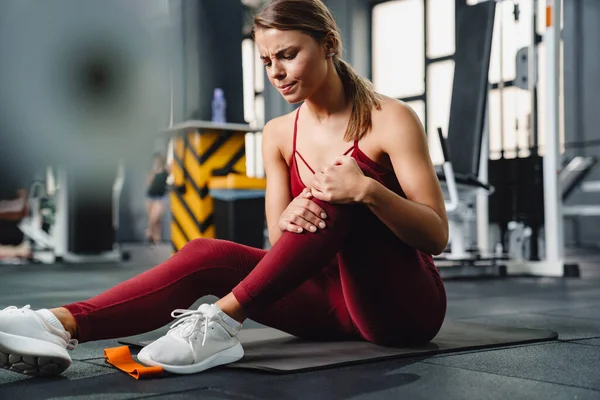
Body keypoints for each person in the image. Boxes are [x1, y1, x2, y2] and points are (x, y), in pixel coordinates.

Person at [0, 0, 448, 377]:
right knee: (206, 254)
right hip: (327, 304)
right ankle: (59, 326)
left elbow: (436, 235)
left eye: (288, 55)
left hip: (400, 309)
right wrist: (294, 212)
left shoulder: (391, 119)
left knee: (336, 191)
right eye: (267, 61)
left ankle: (221, 322)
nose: (276, 71)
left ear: (328, 45)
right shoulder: (277, 133)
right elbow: (280, 242)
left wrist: (368, 190)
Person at [145, 153, 169, 245]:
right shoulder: (152, 171)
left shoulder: (166, 171)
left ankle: (149, 233)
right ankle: (156, 238)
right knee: (154, 219)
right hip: (150, 196)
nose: (157, 162)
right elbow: (149, 183)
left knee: (155, 217)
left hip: (161, 197)